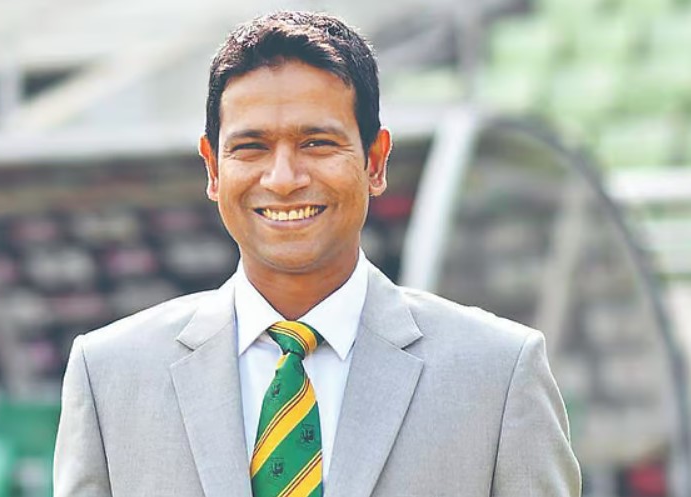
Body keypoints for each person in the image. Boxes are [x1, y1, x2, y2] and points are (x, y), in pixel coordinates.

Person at [53, 11, 581, 497]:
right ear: (212, 168)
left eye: (317, 143)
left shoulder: (498, 374)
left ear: (375, 161)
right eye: (251, 147)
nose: (283, 179)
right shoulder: (110, 377)